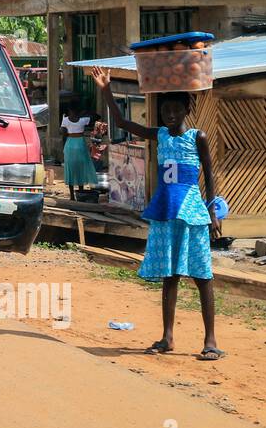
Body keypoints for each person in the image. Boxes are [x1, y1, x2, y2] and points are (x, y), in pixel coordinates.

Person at [91, 68, 224, 361]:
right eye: (165, 111)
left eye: (176, 110)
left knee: (202, 276)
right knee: (170, 275)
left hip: (192, 212)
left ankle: (211, 340)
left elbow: (210, 174)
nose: (170, 115)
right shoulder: (159, 135)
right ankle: (167, 336)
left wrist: (213, 210)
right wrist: (106, 90)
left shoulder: (197, 137)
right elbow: (124, 122)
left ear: (187, 109)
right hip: (165, 211)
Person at [61, 99, 99, 199]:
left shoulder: (65, 120)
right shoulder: (83, 120)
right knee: (81, 168)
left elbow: (63, 134)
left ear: (69, 110)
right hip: (80, 144)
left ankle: (72, 195)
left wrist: (63, 148)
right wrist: (84, 113)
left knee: (70, 169)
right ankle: (81, 192)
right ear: (78, 110)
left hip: (70, 144)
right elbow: (97, 116)